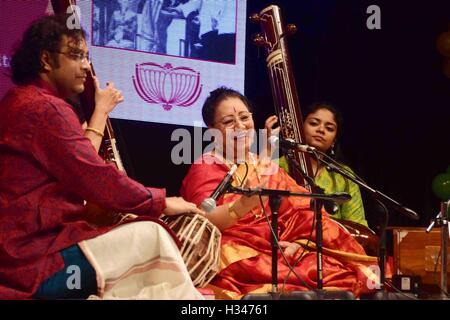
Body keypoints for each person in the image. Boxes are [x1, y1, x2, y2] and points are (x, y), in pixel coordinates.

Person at [0, 13, 204, 300]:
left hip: (15, 258)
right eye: (75, 56)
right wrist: (160, 202)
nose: (86, 66)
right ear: (46, 60)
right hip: (34, 263)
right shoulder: (45, 109)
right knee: (152, 236)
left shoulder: (17, 101)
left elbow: (80, 170)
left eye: (86, 56)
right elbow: (95, 177)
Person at [180, 87, 379, 299]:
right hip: (239, 253)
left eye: (244, 117)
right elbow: (203, 221)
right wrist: (241, 206)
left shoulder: (267, 167)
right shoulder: (207, 165)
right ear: (212, 130)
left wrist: (299, 243)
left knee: (334, 272)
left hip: (282, 250)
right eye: (229, 121)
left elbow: (303, 211)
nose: (240, 126)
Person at [274, 103, 368, 227]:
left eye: (329, 128)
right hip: (287, 239)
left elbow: (356, 225)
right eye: (314, 123)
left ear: (334, 140)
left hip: (334, 242)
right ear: (300, 128)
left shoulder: (343, 175)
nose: (321, 130)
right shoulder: (279, 165)